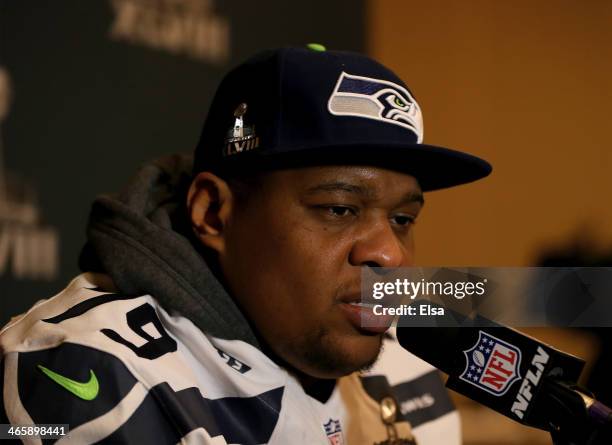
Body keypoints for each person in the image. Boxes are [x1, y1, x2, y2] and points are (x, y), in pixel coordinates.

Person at [0, 46, 491, 444]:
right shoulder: (96, 368)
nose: (390, 254)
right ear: (213, 212)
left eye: (403, 219)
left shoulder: (400, 370)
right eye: (339, 209)